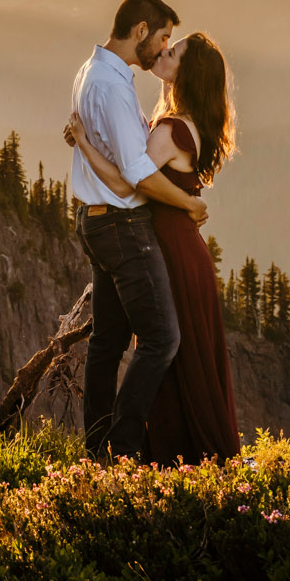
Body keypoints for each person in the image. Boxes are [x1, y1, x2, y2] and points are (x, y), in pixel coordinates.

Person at [67, 30, 241, 465]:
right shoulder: (180, 123)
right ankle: (148, 451)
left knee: (165, 347)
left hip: (175, 253)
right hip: (180, 247)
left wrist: (84, 144)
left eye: (174, 51)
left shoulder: (172, 129)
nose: (165, 51)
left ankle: (134, 451)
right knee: (176, 352)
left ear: (187, 72)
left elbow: (130, 180)